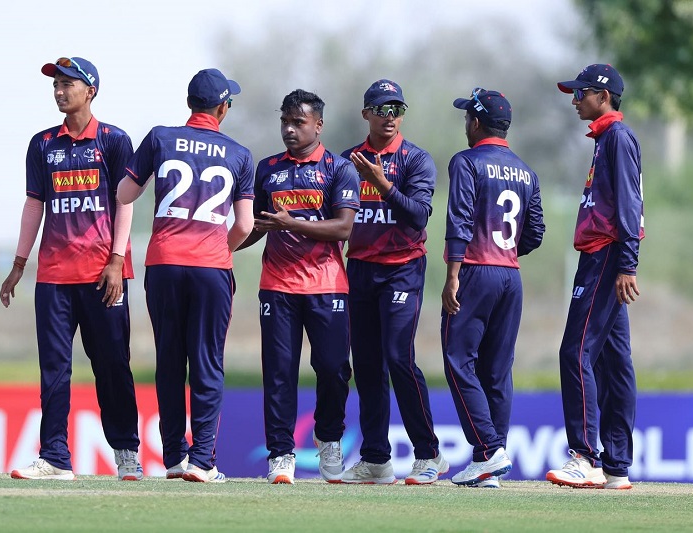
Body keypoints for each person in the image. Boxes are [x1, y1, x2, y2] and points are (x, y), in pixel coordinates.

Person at [0, 57, 142, 481]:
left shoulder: (114, 140)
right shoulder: (42, 143)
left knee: (112, 365)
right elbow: (34, 205)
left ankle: (127, 453)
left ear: (90, 90)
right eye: (56, 85)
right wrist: (19, 264)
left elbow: (125, 201)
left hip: (103, 275)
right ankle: (55, 457)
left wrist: (116, 260)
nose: (60, 92)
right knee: (55, 370)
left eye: (68, 84)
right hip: (54, 277)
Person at [117, 68, 255, 484]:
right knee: (207, 363)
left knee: (170, 361)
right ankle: (202, 460)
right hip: (211, 267)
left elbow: (124, 194)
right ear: (223, 108)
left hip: (163, 263)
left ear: (190, 103)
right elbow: (245, 225)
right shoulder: (239, 153)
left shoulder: (160, 137)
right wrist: (218, 249)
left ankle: (175, 457)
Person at [238, 89, 360, 484]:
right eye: (285, 122)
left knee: (334, 369)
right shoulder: (268, 169)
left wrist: (292, 223)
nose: (289, 129)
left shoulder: (339, 169)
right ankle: (280, 454)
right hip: (278, 286)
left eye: (298, 122)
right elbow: (257, 226)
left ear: (318, 125)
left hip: (327, 285)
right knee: (279, 373)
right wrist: (222, 250)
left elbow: (343, 228)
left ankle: (329, 439)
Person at [339, 79, 446, 485]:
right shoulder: (347, 161)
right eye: (382, 109)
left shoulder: (416, 159)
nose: (390, 117)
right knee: (366, 364)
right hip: (359, 268)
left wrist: (382, 183)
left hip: (402, 267)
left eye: (397, 109)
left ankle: (428, 454)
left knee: (398, 357)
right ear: (366, 113)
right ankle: (376, 460)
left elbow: (417, 216)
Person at [546, 64, 643, 490]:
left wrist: (627, 264)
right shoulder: (606, 139)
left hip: (606, 255)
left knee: (575, 351)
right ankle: (616, 466)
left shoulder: (617, 137)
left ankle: (585, 457)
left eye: (580, 93)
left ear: (603, 96)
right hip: (602, 255)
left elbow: (630, 205)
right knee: (613, 360)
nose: (574, 100)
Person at [442, 88, 545, 488]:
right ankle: (489, 464)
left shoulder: (466, 161)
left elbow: (459, 219)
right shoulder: (526, 171)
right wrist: (506, 251)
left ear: (476, 122)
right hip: (510, 275)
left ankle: (488, 451)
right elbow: (535, 232)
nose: (465, 124)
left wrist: (453, 274)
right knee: (497, 370)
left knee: (458, 359)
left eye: (467, 117)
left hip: (474, 270)